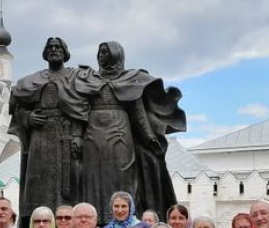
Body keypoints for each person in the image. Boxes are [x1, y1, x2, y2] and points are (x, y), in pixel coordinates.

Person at [73, 41, 185, 218]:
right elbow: (78, 112)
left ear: (116, 54)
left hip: (120, 135)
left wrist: (149, 138)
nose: (102, 56)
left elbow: (137, 113)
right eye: (100, 53)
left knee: (123, 176)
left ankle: (125, 218)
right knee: (94, 178)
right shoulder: (88, 79)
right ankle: (98, 218)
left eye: (106, 52)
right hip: (93, 137)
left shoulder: (130, 80)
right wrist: (77, 136)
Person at [9, 37, 86, 217]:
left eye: (58, 47)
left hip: (66, 135)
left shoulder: (74, 78)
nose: (54, 50)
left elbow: (81, 109)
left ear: (65, 52)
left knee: (68, 182)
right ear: (45, 53)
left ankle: (67, 220)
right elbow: (18, 108)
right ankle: (39, 219)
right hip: (40, 136)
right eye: (50, 47)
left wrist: (78, 136)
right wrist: (28, 117)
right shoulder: (34, 80)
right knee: (39, 181)